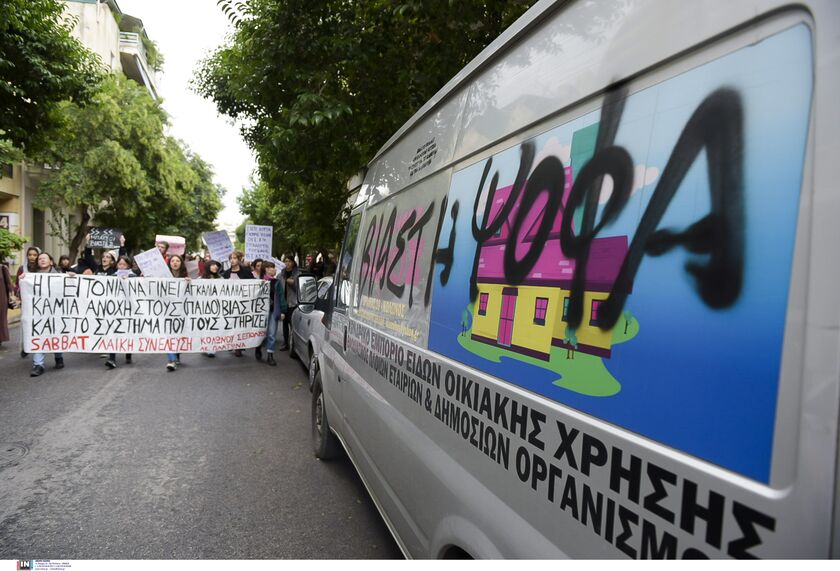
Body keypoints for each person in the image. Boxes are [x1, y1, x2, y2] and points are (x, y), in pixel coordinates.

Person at [27, 252, 64, 376]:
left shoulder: (59, 276)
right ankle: (38, 364)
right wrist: (23, 280)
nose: (42, 260)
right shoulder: (32, 277)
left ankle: (58, 357)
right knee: (38, 334)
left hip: (56, 311)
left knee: (56, 334)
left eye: (45, 258)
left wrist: (71, 277)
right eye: (40, 259)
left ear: (51, 262)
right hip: (39, 312)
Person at [222, 251, 253, 356]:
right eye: (231, 258)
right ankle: (233, 343)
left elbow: (253, 283)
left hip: (242, 304)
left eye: (234, 258)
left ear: (239, 260)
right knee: (231, 325)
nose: (232, 260)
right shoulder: (226, 273)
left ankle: (238, 346)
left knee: (240, 325)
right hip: (230, 304)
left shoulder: (246, 272)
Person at [255, 260, 282, 365]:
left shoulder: (277, 282)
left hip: (272, 311)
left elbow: (281, 297)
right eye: (272, 267)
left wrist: (283, 311)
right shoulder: (259, 282)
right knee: (260, 333)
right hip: (260, 313)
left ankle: (270, 355)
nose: (275, 269)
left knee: (271, 333)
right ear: (266, 269)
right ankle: (258, 347)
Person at [165, 255, 189, 371]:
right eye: (172, 261)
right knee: (168, 335)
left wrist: (189, 283)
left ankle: (177, 354)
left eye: (177, 261)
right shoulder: (163, 277)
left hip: (180, 311)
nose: (175, 263)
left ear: (181, 263)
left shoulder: (186, 278)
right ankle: (172, 360)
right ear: (169, 263)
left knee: (178, 334)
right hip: (165, 310)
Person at [201, 260, 223, 357]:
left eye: (216, 265)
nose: (215, 267)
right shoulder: (201, 279)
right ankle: (207, 348)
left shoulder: (221, 278)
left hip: (217, 307)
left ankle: (212, 347)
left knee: (215, 327)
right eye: (213, 265)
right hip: (205, 308)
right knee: (207, 328)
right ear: (208, 266)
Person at [278, 255, 300, 351]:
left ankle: (294, 344)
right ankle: (285, 343)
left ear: (293, 263)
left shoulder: (297, 274)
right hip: (283, 303)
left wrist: (293, 283)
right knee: (284, 324)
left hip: (293, 303)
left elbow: (300, 289)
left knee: (293, 324)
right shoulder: (281, 275)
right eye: (285, 261)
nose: (287, 263)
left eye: (289, 261)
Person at [1, 260, 13, 349]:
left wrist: (12, 296)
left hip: (1, 299)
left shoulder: (2, 268)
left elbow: (9, 285)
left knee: (1, 320)